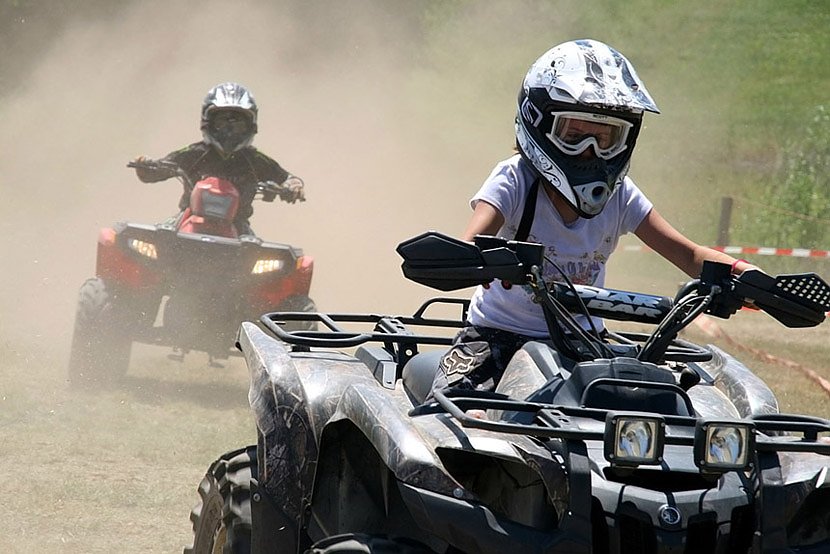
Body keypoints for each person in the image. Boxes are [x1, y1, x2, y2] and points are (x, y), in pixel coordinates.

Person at [432, 38, 758, 397]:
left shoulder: (620, 196)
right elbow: (476, 239)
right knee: (463, 412)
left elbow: (689, 255)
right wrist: (472, 260)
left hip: (584, 344)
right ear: (537, 122)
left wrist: (755, 281)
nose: (590, 152)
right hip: (498, 337)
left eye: (607, 138)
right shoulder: (515, 180)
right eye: (574, 135)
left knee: (655, 413)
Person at [132, 82, 305, 236]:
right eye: (222, 123)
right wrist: (145, 165)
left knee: (272, 266)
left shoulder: (255, 160)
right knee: (153, 243)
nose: (229, 132)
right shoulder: (194, 153)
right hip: (187, 217)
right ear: (208, 122)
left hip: (239, 228)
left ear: (250, 126)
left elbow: (289, 178)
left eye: (237, 125)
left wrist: (293, 187)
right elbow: (154, 172)